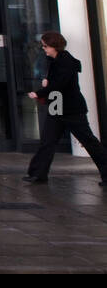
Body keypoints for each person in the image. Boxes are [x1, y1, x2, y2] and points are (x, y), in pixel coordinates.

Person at [24, 31, 107, 185]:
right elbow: (56, 83)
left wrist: (39, 92)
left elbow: (59, 84)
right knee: (48, 141)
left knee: (88, 141)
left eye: (45, 46)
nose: (44, 49)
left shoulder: (65, 62)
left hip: (71, 109)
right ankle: (38, 174)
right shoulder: (56, 61)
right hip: (58, 106)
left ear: (54, 46)